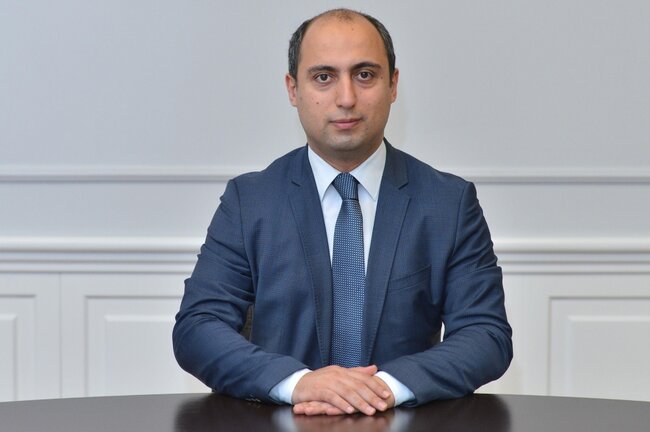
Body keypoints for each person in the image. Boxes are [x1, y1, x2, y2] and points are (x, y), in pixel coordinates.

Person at [173, 8, 512, 416]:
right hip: (280, 421)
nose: (346, 98)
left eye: (365, 75)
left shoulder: (448, 203)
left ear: (393, 85)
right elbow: (198, 328)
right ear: (293, 89)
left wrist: (383, 388)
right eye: (324, 77)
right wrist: (299, 384)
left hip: (401, 420)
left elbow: (485, 334)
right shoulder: (250, 201)